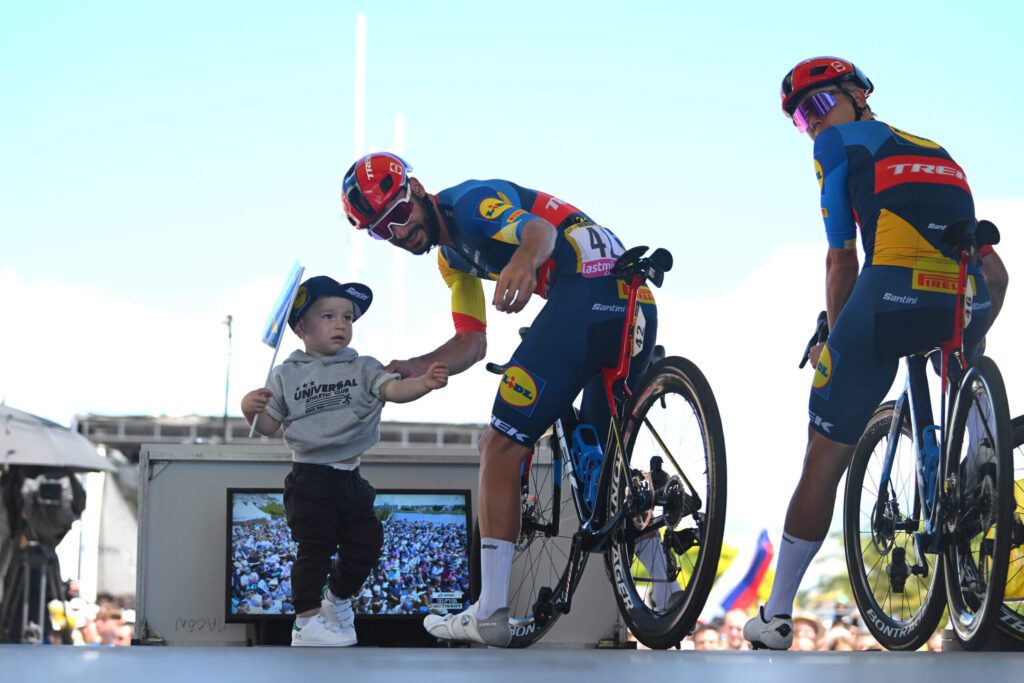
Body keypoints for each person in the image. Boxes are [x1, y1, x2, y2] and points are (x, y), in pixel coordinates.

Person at [744, 57, 1009, 651]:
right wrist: (970, 341)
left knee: (823, 455)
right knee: (961, 351)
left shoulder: (838, 144)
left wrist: (836, 338)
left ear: (859, 96)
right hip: (962, 295)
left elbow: (842, 259)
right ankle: (979, 451)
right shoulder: (939, 148)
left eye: (816, 107)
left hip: (885, 299)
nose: (811, 126)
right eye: (799, 120)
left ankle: (779, 615)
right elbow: (994, 268)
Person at [341, 153, 659, 646]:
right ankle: (672, 592)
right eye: (383, 232)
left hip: (585, 296)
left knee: (498, 446)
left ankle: (489, 612)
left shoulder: (469, 206)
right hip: (633, 302)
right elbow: (472, 343)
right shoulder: (452, 261)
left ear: (418, 188)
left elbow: (540, 233)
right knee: (603, 469)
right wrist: (415, 365)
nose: (398, 234)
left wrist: (522, 259)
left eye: (399, 215)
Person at [242, 275, 449, 647]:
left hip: (351, 476)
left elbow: (394, 389)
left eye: (348, 317)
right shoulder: (285, 374)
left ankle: (336, 602)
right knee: (314, 550)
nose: (340, 324)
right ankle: (305, 624)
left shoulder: (363, 366)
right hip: (310, 478)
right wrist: (248, 408)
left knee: (368, 543)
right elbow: (268, 425)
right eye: (328, 316)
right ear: (301, 327)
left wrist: (424, 384)